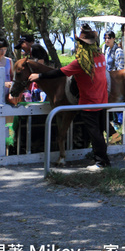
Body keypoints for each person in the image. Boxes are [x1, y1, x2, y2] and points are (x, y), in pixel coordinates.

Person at [28, 24, 111, 169]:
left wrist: (39, 75)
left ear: (81, 44)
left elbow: (59, 72)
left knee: (94, 133)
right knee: (99, 132)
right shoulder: (100, 57)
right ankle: (104, 160)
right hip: (102, 99)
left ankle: (100, 163)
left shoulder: (81, 62)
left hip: (88, 102)